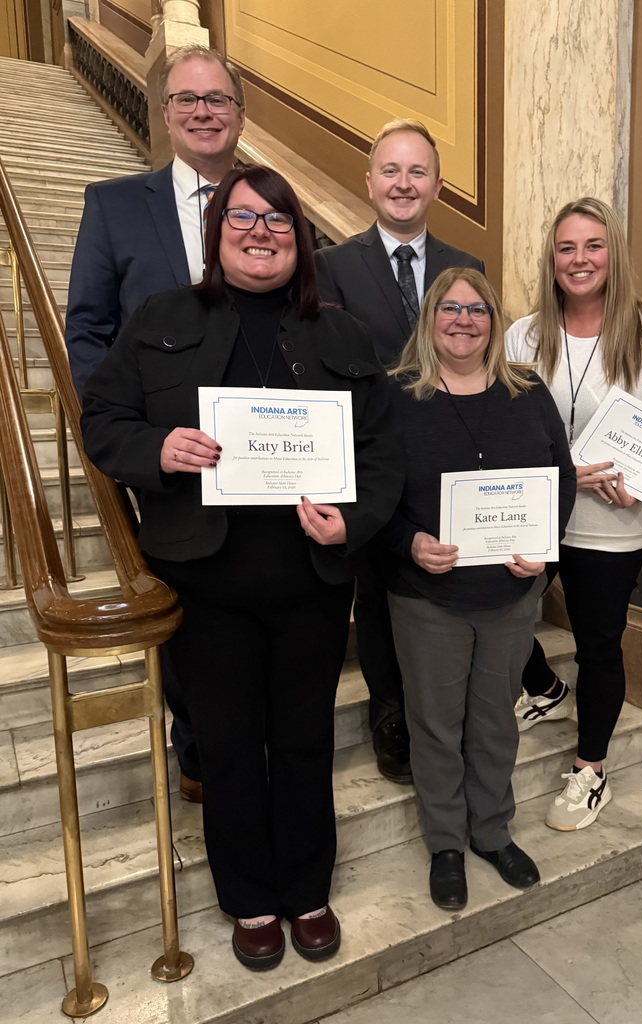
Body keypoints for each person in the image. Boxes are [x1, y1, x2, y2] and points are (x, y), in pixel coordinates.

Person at [80, 165, 404, 970]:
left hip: (314, 586)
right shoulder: (160, 318)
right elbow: (104, 419)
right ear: (216, 233)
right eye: (244, 219)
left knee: (303, 739)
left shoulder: (344, 333)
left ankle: (306, 888)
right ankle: (250, 899)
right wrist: (156, 450)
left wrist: (354, 522)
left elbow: (386, 453)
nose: (261, 234)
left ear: (302, 239)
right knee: (226, 747)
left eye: (279, 222)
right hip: (206, 583)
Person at [65, 44, 246, 797]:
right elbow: (87, 332)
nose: (204, 112)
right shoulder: (114, 205)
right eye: (188, 100)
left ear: (239, 115)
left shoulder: (268, 202)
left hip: (255, 452)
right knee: (184, 599)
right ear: (166, 113)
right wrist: (134, 442)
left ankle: (245, 730)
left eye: (218, 100)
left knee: (249, 593)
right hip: (167, 461)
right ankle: (198, 741)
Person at [505, 197, 642, 831]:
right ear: (552, 259)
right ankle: (543, 688)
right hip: (535, 514)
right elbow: (504, 422)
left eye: (593, 246)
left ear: (613, 254)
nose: (580, 259)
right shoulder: (524, 334)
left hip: (611, 522)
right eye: (567, 248)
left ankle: (590, 769)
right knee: (501, 622)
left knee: (597, 643)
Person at [383, 267, 576, 911]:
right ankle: (445, 843)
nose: (463, 320)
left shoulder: (528, 390)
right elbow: (373, 494)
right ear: (429, 317)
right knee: (436, 725)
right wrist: (408, 542)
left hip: (510, 596)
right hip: (425, 597)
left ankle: (492, 832)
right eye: (450, 309)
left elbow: (562, 479)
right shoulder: (396, 396)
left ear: (494, 321)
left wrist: (543, 557)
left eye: (478, 310)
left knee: (495, 721)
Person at [315, 119, 484, 784]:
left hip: (450, 465)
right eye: (391, 170)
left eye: (418, 172)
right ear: (369, 183)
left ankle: (446, 712)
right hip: (368, 465)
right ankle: (389, 715)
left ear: (437, 186)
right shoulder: (330, 267)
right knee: (380, 595)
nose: (404, 183)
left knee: (446, 588)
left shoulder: (468, 270)